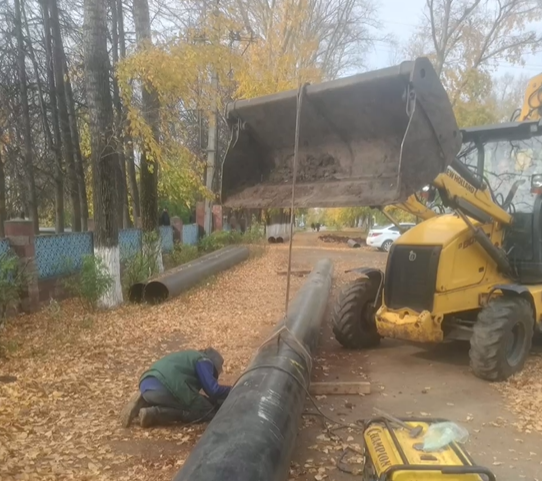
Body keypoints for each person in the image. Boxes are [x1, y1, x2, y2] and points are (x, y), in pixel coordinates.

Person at [120, 347, 231, 428]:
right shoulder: (204, 361)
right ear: (214, 362)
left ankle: (144, 400)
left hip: (147, 381)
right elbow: (213, 390)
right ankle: (152, 414)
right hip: (166, 385)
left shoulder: (188, 356)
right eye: (220, 368)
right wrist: (234, 390)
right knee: (205, 411)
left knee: (187, 398)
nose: (220, 371)